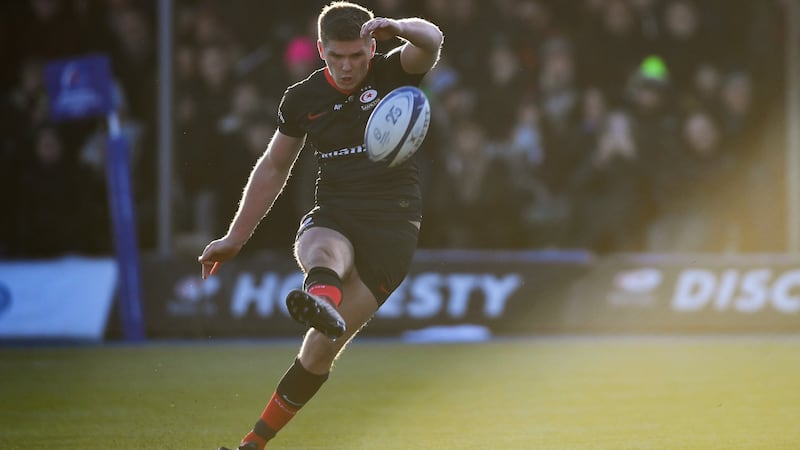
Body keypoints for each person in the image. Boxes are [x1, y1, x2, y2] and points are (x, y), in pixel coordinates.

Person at [197, 2, 443, 449]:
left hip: (393, 225)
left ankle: (258, 437)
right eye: (336, 57)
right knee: (321, 247)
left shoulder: (393, 73)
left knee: (319, 350)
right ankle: (322, 299)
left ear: (371, 48)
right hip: (336, 209)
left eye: (356, 56)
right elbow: (274, 167)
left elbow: (432, 40)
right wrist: (236, 237)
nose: (347, 67)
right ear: (320, 51)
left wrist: (399, 26)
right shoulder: (302, 99)